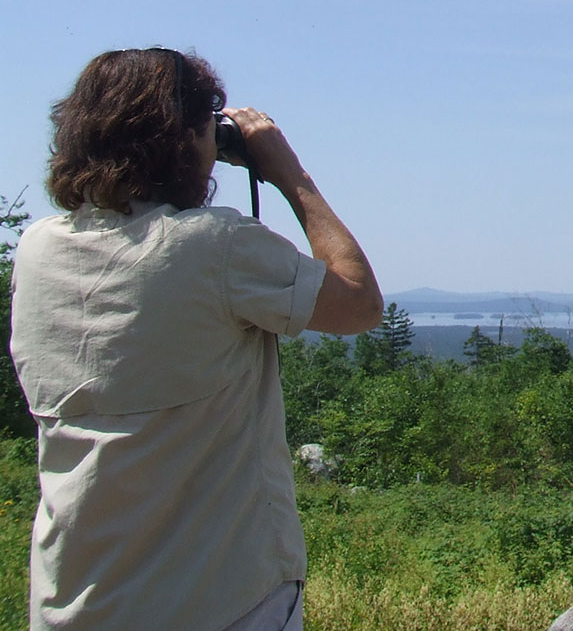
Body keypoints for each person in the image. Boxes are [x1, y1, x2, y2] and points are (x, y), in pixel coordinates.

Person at [9, 48, 383, 631]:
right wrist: (289, 174)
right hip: (220, 597)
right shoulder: (215, 246)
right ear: (183, 139)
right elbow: (359, 302)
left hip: (76, 599)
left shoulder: (37, 251)